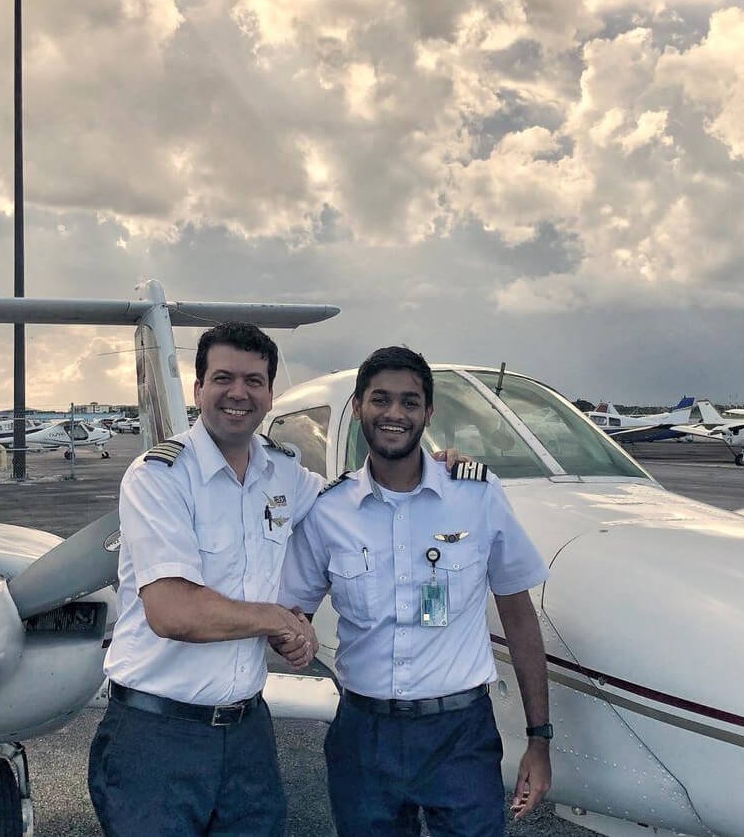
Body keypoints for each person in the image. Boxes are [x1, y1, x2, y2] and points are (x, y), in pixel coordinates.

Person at [88, 323, 464, 835]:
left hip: (247, 736)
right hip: (157, 735)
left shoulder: (283, 473)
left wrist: (433, 467)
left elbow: (357, 499)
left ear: (268, 395)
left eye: (254, 380)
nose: (238, 392)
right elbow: (171, 611)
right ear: (198, 389)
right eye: (223, 378)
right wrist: (279, 620)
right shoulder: (158, 476)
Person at [280, 346, 553, 836]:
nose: (394, 414)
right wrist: (292, 637)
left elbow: (518, 615)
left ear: (428, 413)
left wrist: (539, 738)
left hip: (460, 736)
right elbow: (290, 610)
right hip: (364, 735)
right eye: (380, 399)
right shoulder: (328, 510)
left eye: (410, 402)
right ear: (359, 406)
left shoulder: (477, 495)